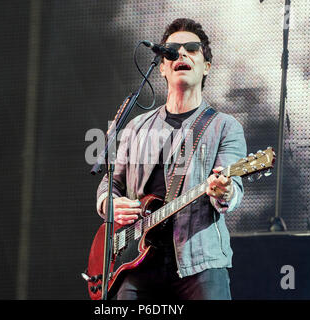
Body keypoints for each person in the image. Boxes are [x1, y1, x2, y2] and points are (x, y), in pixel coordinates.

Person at [96, 18, 247, 300]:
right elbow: (110, 182)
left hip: (198, 264)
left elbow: (233, 188)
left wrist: (224, 191)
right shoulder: (136, 127)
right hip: (134, 262)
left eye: (192, 49)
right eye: (173, 50)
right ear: (163, 67)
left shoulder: (225, 127)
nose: (182, 54)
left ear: (206, 67)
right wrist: (109, 203)